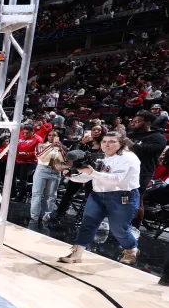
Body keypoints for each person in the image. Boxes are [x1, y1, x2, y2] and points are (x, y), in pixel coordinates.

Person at [58, 132, 141, 265]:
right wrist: (71, 176)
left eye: (112, 141)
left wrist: (92, 172)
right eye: (104, 141)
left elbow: (116, 179)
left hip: (122, 196)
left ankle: (131, 248)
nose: (107, 144)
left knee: (118, 229)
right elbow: (90, 176)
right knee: (87, 224)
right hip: (98, 195)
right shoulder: (100, 157)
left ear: (121, 144)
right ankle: (77, 253)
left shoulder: (129, 158)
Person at [128, 110, 166, 238]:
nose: (134, 123)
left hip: (142, 173)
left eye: (138, 121)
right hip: (125, 170)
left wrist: (128, 142)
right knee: (123, 199)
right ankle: (123, 225)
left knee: (137, 201)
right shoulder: (132, 134)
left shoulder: (158, 138)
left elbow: (144, 150)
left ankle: (135, 228)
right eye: (134, 121)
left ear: (148, 122)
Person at [30, 130, 66, 224]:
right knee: (37, 193)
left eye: (54, 135)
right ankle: (35, 215)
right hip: (42, 169)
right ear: (47, 136)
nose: (51, 137)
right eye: (49, 135)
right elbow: (39, 156)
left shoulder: (61, 147)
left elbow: (64, 160)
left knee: (51, 195)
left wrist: (59, 149)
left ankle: (46, 215)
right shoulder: (41, 145)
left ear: (58, 137)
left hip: (55, 171)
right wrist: (51, 146)